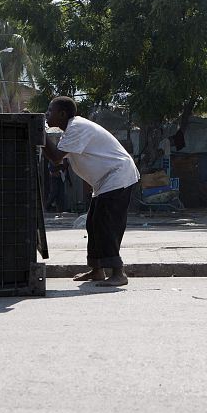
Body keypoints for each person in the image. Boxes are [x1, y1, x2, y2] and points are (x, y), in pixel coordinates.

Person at [42, 96, 140, 286]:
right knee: (93, 224)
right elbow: (58, 159)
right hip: (106, 181)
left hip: (118, 176)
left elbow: (55, 157)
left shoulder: (76, 127)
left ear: (62, 114)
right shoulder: (71, 131)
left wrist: (38, 131)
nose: (46, 114)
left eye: (49, 110)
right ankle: (97, 270)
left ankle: (119, 273)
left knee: (106, 224)